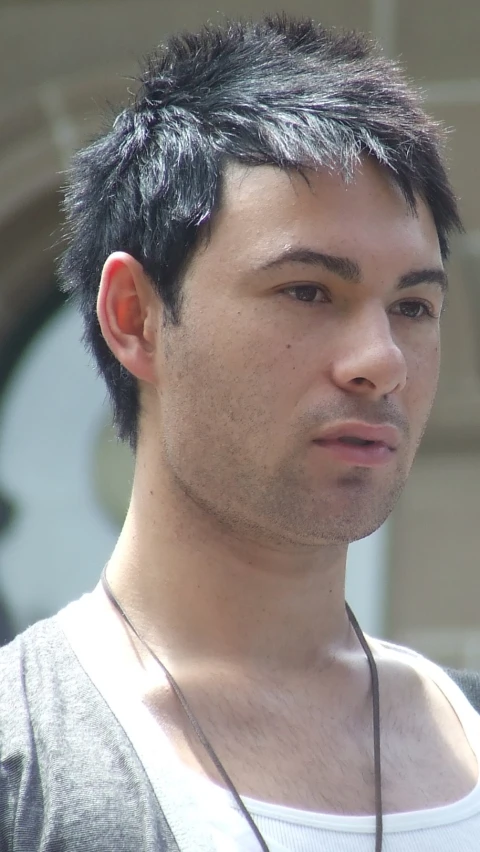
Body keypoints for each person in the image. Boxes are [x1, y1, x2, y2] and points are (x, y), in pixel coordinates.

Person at [1, 13, 479, 852]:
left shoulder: (465, 738)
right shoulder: (27, 764)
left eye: (413, 306)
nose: (381, 362)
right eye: (307, 291)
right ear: (134, 317)